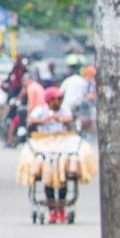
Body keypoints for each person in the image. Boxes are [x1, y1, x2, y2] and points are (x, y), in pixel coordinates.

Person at [28, 87, 75, 223]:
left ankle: (61, 209)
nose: (60, 101)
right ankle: (52, 211)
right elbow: (31, 120)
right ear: (50, 100)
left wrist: (59, 119)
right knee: (47, 172)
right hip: (44, 145)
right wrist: (43, 120)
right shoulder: (41, 110)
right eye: (58, 99)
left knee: (62, 172)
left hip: (62, 144)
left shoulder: (63, 110)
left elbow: (69, 118)